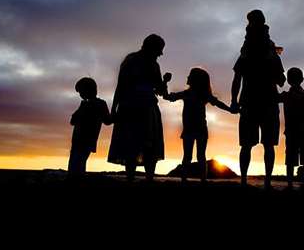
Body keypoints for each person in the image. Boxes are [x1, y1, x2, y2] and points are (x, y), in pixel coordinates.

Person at [230, 9, 286, 189]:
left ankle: (245, 181)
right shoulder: (267, 51)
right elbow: (281, 81)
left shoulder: (247, 50)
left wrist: (233, 101)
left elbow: (237, 78)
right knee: (266, 145)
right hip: (266, 102)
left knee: (247, 145)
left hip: (251, 102)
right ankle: (266, 181)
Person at [108, 34, 168, 182]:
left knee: (146, 145)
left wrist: (164, 81)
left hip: (143, 108)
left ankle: (144, 178)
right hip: (134, 109)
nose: (161, 53)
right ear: (151, 47)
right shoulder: (132, 61)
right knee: (134, 144)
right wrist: (114, 108)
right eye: (160, 49)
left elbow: (159, 91)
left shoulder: (152, 64)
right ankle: (136, 178)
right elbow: (121, 86)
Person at [163, 68, 235, 183]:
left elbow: (218, 103)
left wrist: (230, 109)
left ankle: (193, 179)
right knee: (194, 156)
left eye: (189, 76)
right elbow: (167, 97)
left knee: (193, 156)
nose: (187, 77)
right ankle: (196, 179)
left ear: (195, 80)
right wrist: (165, 82)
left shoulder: (196, 94)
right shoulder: (191, 94)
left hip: (197, 129)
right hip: (194, 129)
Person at [68, 77, 111, 179]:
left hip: (81, 138)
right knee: (80, 161)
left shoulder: (87, 105)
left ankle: (75, 179)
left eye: (81, 92)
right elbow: (108, 121)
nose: (80, 95)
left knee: (76, 161)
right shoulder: (99, 104)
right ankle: (77, 178)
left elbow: (73, 121)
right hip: (85, 139)